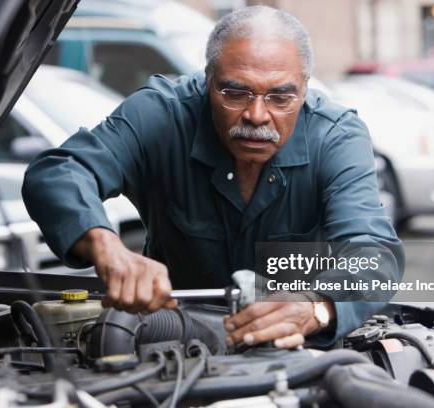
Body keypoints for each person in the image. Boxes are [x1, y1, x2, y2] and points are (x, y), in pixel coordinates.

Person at [22, 6, 404, 348]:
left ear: (304, 89)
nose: (256, 115)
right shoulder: (160, 116)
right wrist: (106, 248)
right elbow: (58, 172)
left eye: (280, 97)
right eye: (235, 93)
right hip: (168, 342)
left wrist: (317, 308)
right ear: (208, 80)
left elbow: (373, 252)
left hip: (297, 350)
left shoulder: (335, 137)